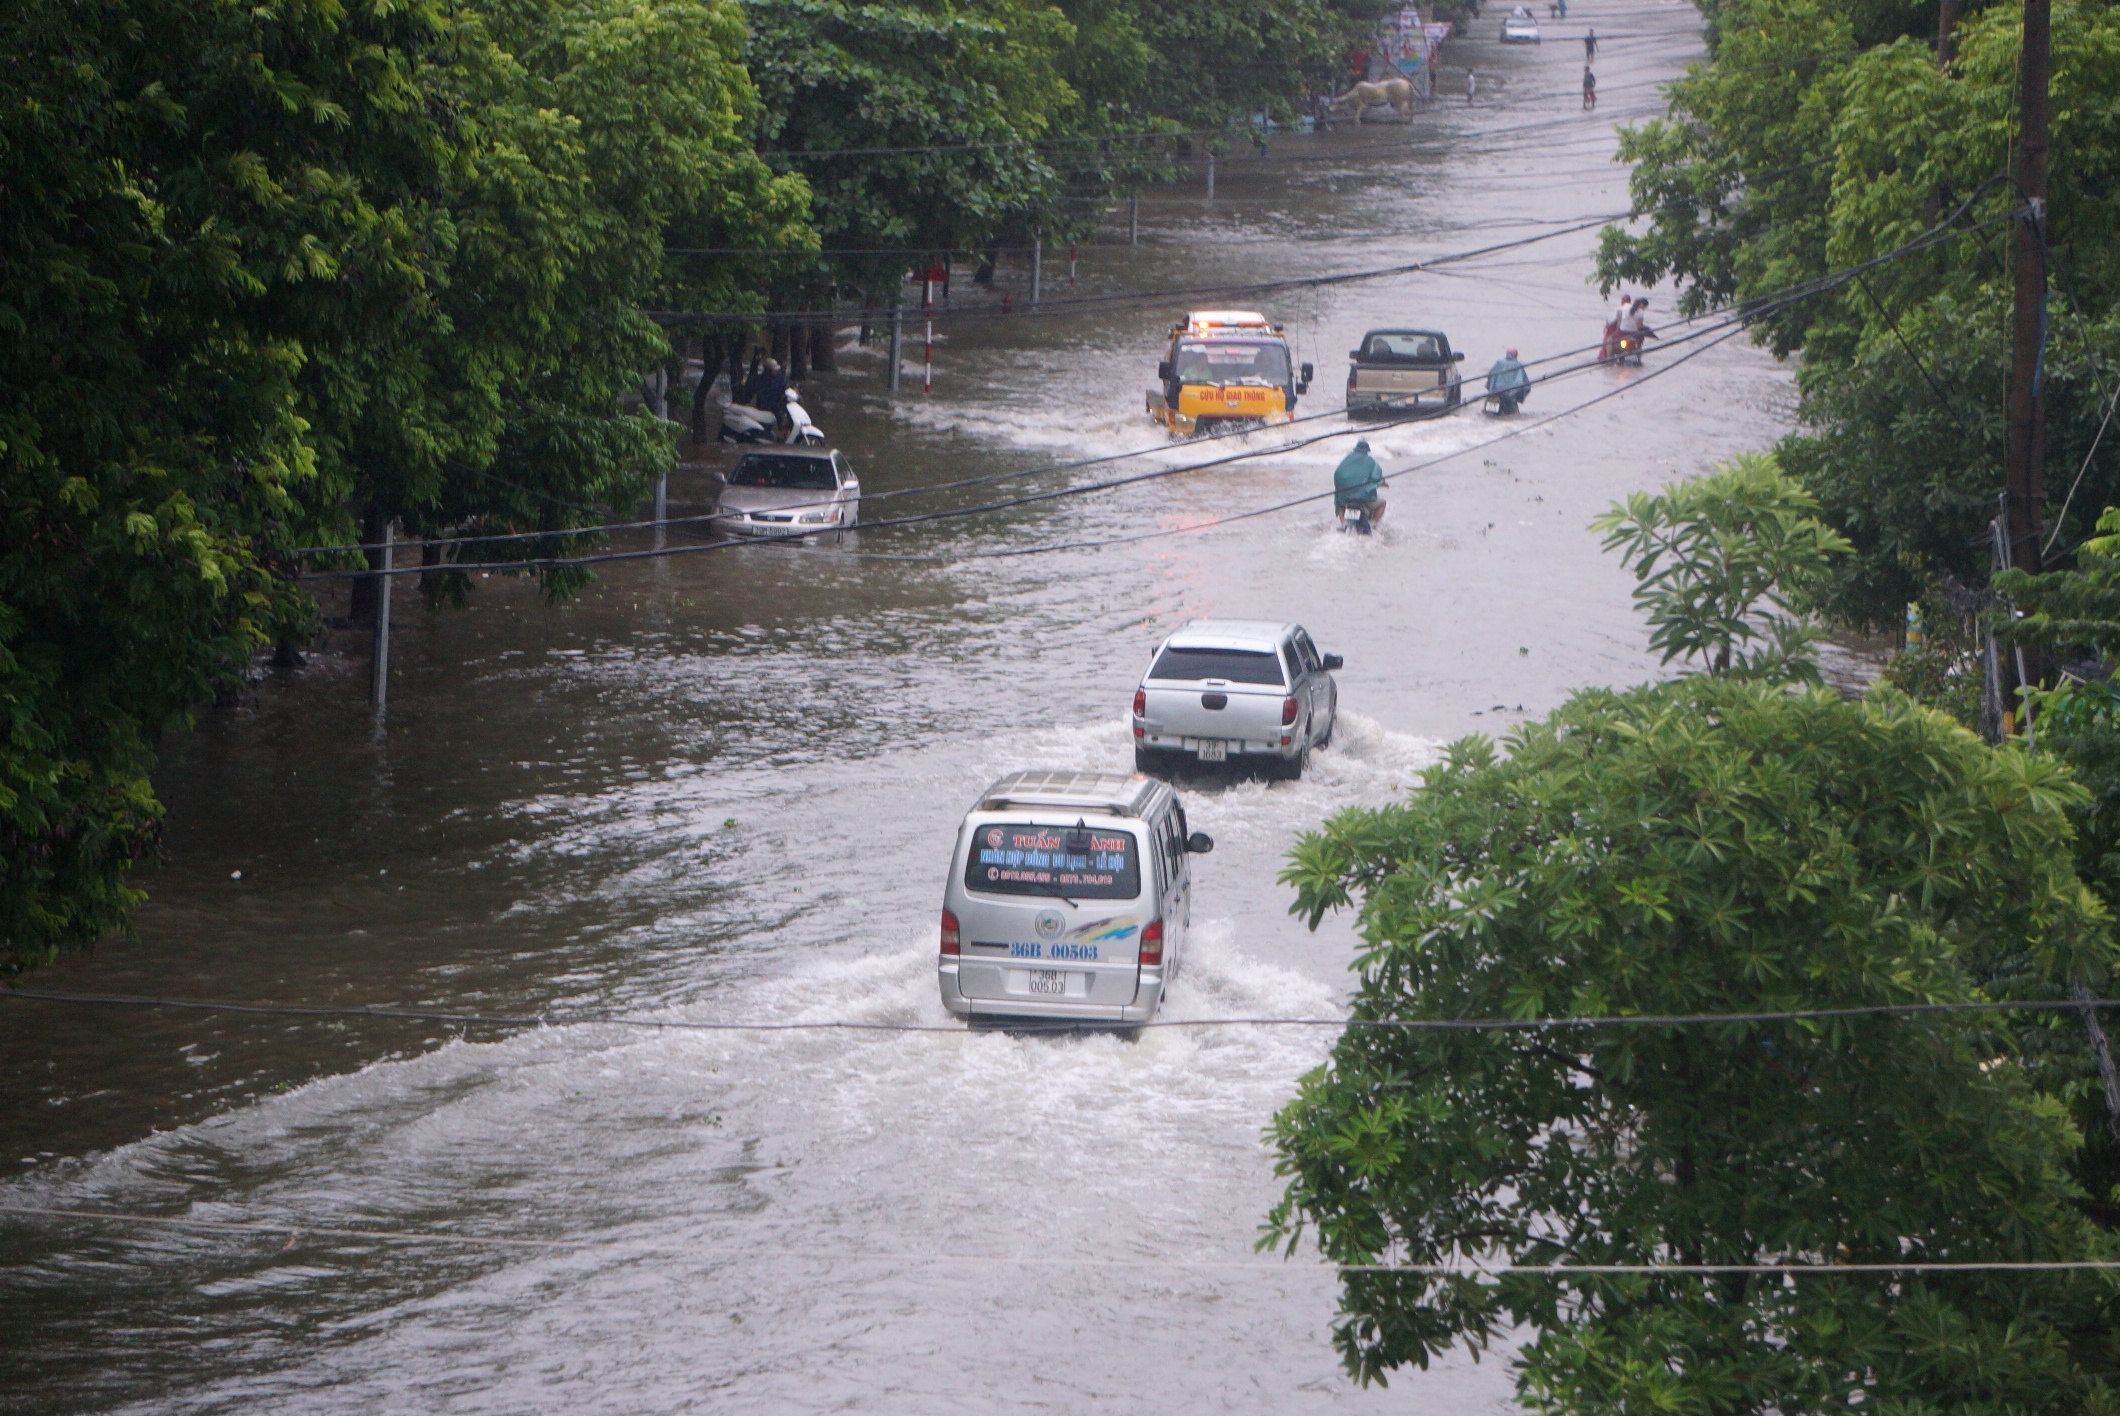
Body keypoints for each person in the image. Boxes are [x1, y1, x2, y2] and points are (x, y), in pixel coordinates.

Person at [1332, 439, 1386, 524]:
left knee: (1338, 501)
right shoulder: (1371, 461)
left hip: (1345, 498)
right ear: (1367, 451)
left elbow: (1338, 474)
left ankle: (1343, 523)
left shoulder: (1347, 459)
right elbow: (1377, 477)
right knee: (1382, 503)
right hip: (1362, 498)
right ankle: (1373, 524)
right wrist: (1382, 482)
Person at [1486, 347, 1531, 414]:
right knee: (1515, 415)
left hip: (1495, 394)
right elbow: (1524, 384)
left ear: (1506, 354)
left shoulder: (1499, 363)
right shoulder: (1518, 365)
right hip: (1510, 396)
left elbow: (1490, 376)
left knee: (1488, 413)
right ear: (1516, 355)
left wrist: (1490, 389)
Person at [749, 357, 789, 429]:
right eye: (774, 370)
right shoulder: (760, 380)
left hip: (778, 405)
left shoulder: (780, 378)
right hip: (766, 407)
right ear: (768, 370)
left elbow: (784, 389)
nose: (776, 371)